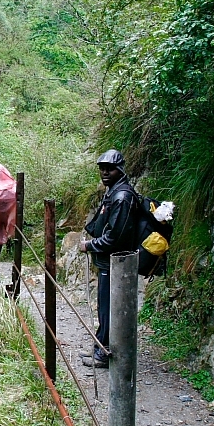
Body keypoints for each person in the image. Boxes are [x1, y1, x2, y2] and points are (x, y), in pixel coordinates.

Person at [78, 149, 138, 369]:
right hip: (111, 262)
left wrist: (90, 245)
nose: (104, 172)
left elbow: (115, 237)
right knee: (105, 307)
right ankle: (101, 347)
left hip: (116, 264)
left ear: (119, 169)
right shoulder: (114, 192)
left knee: (108, 308)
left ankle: (104, 354)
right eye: (102, 169)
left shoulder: (122, 197)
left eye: (109, 169)